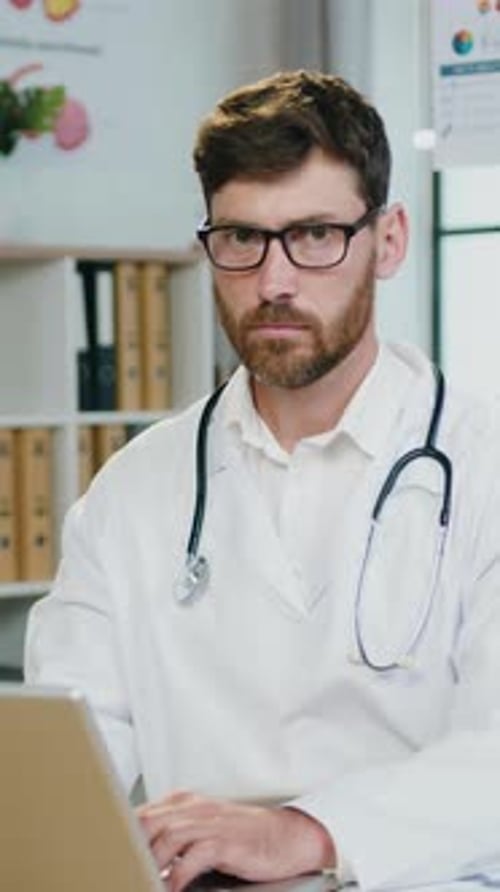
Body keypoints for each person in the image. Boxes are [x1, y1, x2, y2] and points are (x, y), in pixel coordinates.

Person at [25, 69, 500, 891]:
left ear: (388, 240)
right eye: (242, 239)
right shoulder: (134, 489)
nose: (274, 281)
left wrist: (306, 831)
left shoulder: (484, 464)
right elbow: (68, 759)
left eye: (315, 235)